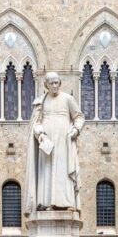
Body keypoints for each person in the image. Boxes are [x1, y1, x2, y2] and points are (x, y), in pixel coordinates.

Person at [23, 72, 84, 216]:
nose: (55, 86)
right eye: (52, 83)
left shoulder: (68, 99)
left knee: (63, 170)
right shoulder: (41, 102)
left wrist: (75, 129)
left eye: (57, 83)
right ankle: (47, 203)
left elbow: (79, 117)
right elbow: (36, 123)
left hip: (64, 141)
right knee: (47, 171)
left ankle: (67, 203)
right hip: (47, 144)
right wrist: (40, 134)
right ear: (46, 85)